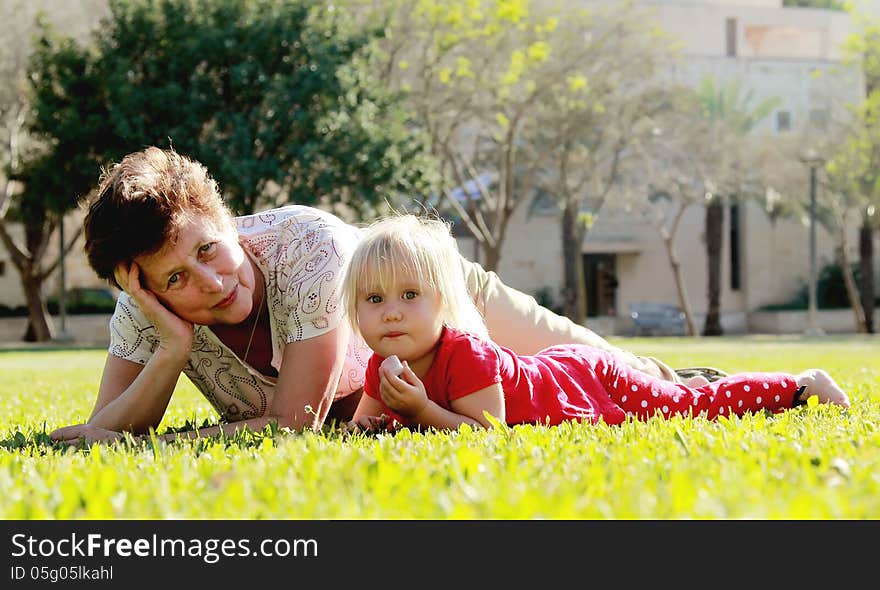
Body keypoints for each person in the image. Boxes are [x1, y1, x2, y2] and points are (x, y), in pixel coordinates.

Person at [49, 147, 711, 445]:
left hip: (429, 293)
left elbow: (293, 425)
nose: (213, 283)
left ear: (227, 218)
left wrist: (162, 443)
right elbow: (103, 430)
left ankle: (716, 384)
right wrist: (170, 351)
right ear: (140, 288)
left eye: (208, 250)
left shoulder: (306, 248)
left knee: (624, 375)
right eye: (174, 282)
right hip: (386, 390)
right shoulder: (144, 313)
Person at [342, 214, 850, 433]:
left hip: (584, 379)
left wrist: (420, 408)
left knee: (690, 408)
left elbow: (485, 434)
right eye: (374, 298)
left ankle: (802, 386)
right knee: (676, 395)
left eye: (410, 296)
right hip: (555, 368)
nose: (391, 311)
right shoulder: (382, 365)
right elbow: (362, 426)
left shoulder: (466, 354)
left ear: (443, 302)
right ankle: (683, 378)